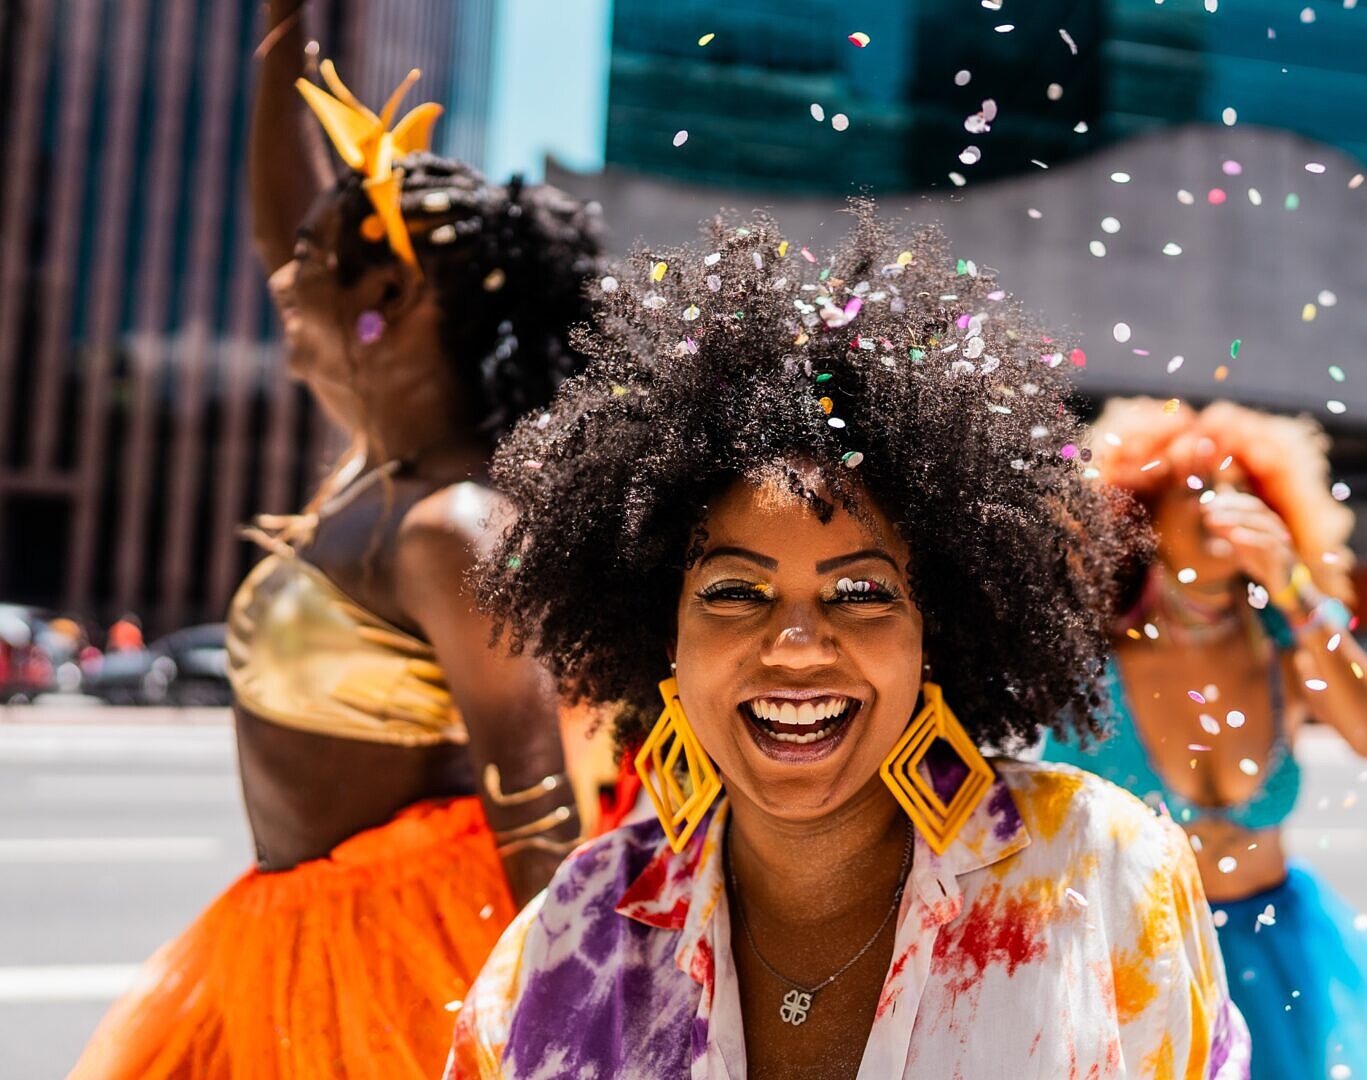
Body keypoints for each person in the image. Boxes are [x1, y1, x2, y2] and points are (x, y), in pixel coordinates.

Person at [444, 206, 1251, 1080]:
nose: (795, 646)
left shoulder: (1103, 871)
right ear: (661, 627)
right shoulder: (575, 928)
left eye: (862, 592)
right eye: (734, 591)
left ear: (934, 627)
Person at [68, 8, 600, 1076]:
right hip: (284, 940)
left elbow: (541, 811)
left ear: (389, 297)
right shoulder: (383, 475)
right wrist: (284, 33)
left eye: (313, 259)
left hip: (404, 969)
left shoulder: (450, 525)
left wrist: (572, 1028)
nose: (280, 276)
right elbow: (280, 222)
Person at [1046, 399, 1367, 1080]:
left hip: (1280, 955)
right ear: (1142, 516)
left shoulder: (1289, 638)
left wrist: (1294, 589)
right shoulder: (1093, 655)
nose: (1222, 504)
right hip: (1135, 959)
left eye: (1240, 488)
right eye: (1196, 488)